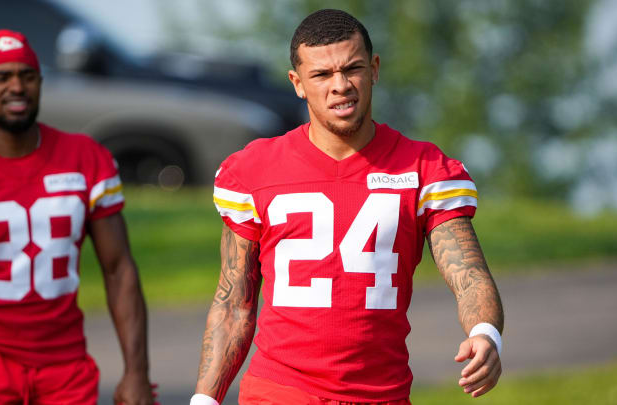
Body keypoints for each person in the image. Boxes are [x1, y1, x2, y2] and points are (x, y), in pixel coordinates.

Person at [193, 9, 504, 405]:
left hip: (381, 395)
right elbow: (234, 302)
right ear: (298, 83)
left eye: (352, 68)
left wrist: (485, 332)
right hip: (279, 393)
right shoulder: (253, 170)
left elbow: (469, 273)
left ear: (374, 69)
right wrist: (204, 399)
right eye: (321, 75)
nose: (340, 85)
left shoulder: (424, 169)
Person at [0, 30, 155, 405]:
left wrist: (137, 373)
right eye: (3, 77)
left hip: (64, 365)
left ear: (40, 83)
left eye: (27, 75)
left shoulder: (84, 157)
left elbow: (118, 269)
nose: (17, 86)